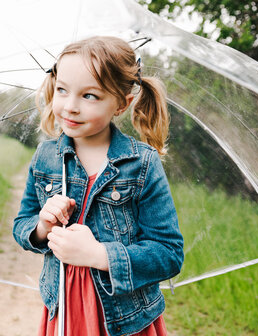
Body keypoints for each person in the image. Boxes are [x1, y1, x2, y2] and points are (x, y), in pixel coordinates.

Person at [12, 36, 184, 336]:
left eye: (89, 96)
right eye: (63, 90)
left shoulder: (141, 163)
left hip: (124, 318)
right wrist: (42, 225)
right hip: (64, 310)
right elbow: (21, 225)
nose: (70, 106)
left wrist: (98, 254)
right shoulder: (46, 158)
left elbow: (168, 253)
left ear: (122, 103)